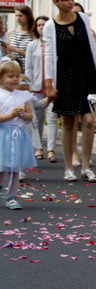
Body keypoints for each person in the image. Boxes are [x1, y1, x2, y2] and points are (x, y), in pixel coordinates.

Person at [43, 0, 96, 182]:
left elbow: (92, 44)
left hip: (86, 72)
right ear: (56, 2)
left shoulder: (83, 19)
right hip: (64, 74)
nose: (70, 2)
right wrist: (49, 84)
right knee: (68, 122)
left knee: (88, 120)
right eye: (66, 0)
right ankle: (69, 167)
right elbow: (49, 55)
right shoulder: (50, 26)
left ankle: (86, 166)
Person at [0, 60, 35, 210]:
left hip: (18, 135)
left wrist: (22, 115)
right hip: (3, 134)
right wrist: (10, 115)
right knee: (1, 167)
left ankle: (12, 196)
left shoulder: (23, 95)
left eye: (17, 76)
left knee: (15, 169)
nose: (15, 79)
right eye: (10, 76)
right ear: (1, 78)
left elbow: (30, 116)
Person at [24, 15, 50, 160]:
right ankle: (38, 147)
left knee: (51, 119)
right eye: (39, 25)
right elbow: (28, 67)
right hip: (37, 87)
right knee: (37, 120)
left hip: (51, 87)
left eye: (44, 25)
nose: (41, 28)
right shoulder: (32, 45)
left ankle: (51, 149)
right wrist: (30, 85)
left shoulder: (54, 44)